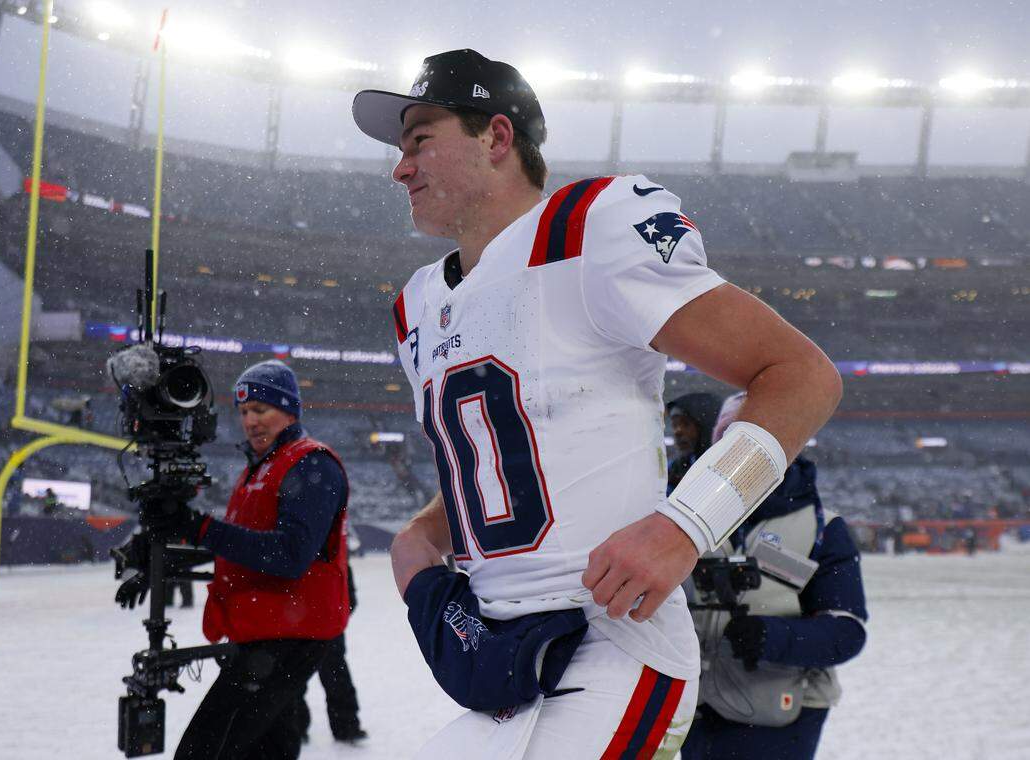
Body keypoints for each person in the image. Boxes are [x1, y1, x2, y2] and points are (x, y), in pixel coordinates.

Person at [351, 49, 843, 758]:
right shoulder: (418, 306)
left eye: (420, 140)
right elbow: (511, 455)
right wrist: (427, 530)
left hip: (614, 639)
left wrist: (684, 526)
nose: (400, 168)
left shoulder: (590, 228)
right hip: (505, 654)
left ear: (496, 137)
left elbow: (801, 375)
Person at [115, 360, 351, 760]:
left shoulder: (311, 463)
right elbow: (237, 552)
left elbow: (289, 555)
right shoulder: (261, 467)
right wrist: (162, 561)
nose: (250, 421)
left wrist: (200, 527)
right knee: (269, 748)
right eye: (243, 412)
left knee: (205, 750)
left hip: (289, 632)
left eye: (261, 410)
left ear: (289, 410)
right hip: (266, 627)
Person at [682, 392, 868, 760]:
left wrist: (773, 636)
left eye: (762, 442)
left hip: (784, 712)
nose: (745, 457)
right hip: (696, 710)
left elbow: (847, 631)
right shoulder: (684, 516)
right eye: (732, 442)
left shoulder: (823, 527)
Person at [296, 563, 368, 744]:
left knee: (332, 675)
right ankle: (298, 725)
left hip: (323, 624)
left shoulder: (332, 554)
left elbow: (348, 594)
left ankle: (344, 726)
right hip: (307, 624)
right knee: (299, 678)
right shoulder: (329, 551)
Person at [665, 393, 724, 494]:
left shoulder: (723, 464)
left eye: (686, 424)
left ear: (705, 425)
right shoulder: (675, 468)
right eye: (674, 425)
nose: (677, 431)